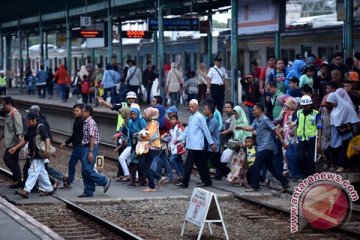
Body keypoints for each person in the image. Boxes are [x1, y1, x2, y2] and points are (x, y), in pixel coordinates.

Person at [237, 103, 289, 192]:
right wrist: (241, 127)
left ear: (260, 110)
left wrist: (282, 141)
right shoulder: (257, 120)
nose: (253, 112)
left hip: (266, 147)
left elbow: (275, 130)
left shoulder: (265, 119)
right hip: (262, 147)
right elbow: (251, 128)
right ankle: (285, 182)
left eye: (254, 110)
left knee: (256, 166)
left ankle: (255, 186)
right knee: (271, 167)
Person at [176, 99, 217, 188]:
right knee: (201, 165)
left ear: (197, 107)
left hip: (196, 145)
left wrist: (211, 143)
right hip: (193, 145)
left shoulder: (200, 117)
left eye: (192, 107)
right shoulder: (191, 118)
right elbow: (187, 131)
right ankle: (207, 181)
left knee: (188, 164)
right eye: (189, 107)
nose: (190, 108)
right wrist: (179, 139)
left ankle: (185, 182)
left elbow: (206, 130)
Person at [15, 112, 55, 198]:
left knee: (32, 172)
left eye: (28, 120)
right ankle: (49, 189)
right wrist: (15, 148)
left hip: (39, 155)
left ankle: (26, 190)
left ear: (34, 120)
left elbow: (47, 138)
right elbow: (24, 140)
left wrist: (47, 150)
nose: (27, 122)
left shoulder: (41, 127)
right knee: (41, 173)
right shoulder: (30, 129)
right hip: (34, 155)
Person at [78, 105, 111, 197]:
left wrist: (91, 152)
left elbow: (92, 138)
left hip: (90, 147)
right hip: (86, 146)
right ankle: (88, 191)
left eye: (83, 111)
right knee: (84, 170)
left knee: (87, 169)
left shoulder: (90, 123)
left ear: (88, 112)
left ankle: (104, 181)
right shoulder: (85, 122)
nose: (81, 113)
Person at [325, 92, 360, 173]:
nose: (331, 104)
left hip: (347, 131)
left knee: (345, 148)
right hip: (339, 131)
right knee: (339, 148)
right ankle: (341, 165)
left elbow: (345, 120)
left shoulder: (344, 107)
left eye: (331, 102)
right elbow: (335, 121)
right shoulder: (336, 107)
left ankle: (343, 166)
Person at [293, 95, 322, 178]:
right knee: (299, 158)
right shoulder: (298, 113)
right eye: (304, 105)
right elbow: (297, 125)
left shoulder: (316, 114)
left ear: (310, 104)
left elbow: (319, 128)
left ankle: (309, 177)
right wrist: (295, 138)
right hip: (301, 139)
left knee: (310, 160)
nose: (306, 107)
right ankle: (305, 174)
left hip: (311, 139)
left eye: (307, 105)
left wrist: (319, 142)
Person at [139, 107, 166, 192]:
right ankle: (159, 177)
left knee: (145, 166)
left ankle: (152, 186)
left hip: (152, 147)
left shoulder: (153, 123)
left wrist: (140, 136)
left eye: (146, 113)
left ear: (151, 114)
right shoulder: (151, 123)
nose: (145, 115)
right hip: (150, 147)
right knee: (143, 165)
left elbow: (149, 135)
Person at [1, 97, 24, 188]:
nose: (3, 106)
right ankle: (17, 180)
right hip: (11, 142)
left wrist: (18, 146)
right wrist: (2, 137)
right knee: (14, 160)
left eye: (4, 104)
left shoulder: (15, 114)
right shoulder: (9, 114)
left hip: (14, 143)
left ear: (9, 104)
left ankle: (18, 180)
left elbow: (19, 131)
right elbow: (8, 129)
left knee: (7, 158)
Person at [204, 103, 231, 180]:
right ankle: (206, 178)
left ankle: (229, 172)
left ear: (210, 111)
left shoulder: (213, 121)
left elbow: (208, 132)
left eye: (206, 109)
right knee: (205, 161)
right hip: (208, 145)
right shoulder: (207, 119)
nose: (204, 111)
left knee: (216, 163)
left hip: (213, 145)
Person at [60, 104, 84, 188]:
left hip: (79, 145)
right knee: (85, 165)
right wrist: (66, 142)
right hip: (78, 145)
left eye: (77, 111)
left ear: (81, 111)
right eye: (74, 111)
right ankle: (99, 180)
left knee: (72, 163)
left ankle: (69, 181)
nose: (75, 112)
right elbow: (74, 134)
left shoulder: (82, 121)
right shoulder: (77, 121)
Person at [167, 114, 186, 183]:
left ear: (177, 120)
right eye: (171, 120)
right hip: (173, 147)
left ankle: (179, 175)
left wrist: (180, 145)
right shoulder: (171, 128)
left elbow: (183, 137)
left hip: (178, 147)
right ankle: (183, 176)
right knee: (178, 162)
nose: (172, 121)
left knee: (172, 160)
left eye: (173, 119)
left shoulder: (180, 128)